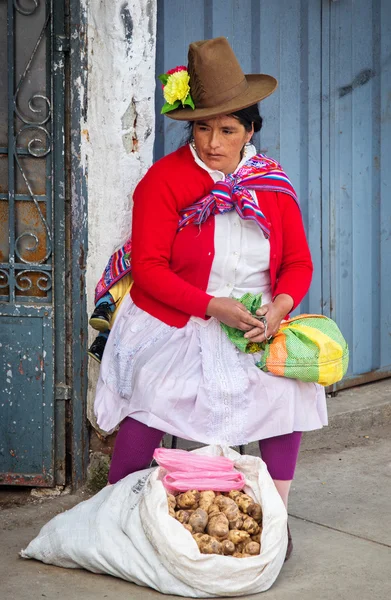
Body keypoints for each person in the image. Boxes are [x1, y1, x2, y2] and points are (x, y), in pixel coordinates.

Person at [93, 37, 328, 561]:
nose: (213, 142)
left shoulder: (270, 184)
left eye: (227, 129)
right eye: (202, 127)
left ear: (250, 130)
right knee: (154, 392)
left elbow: (298, 263)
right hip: (177, 315)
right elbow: (149, 271)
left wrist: (280, 307)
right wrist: (211, 306)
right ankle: (119, 513)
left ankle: (274, 517)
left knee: (287, 389)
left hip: (255, 318)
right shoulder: (164, 181)